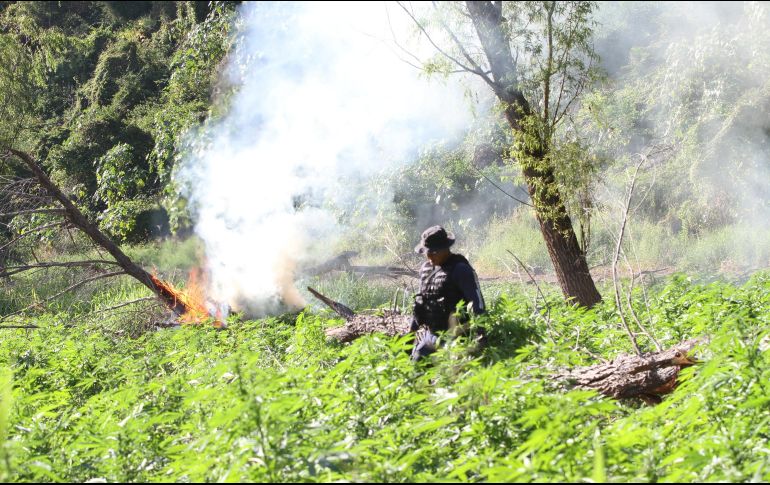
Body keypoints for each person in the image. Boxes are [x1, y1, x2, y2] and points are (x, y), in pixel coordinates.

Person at [410, 225, 486, 360]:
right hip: (431, 336)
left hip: (456, 337)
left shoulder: (460, 269)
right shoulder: (425, 269)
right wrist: (410, 335)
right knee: (415, 365)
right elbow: (420, 303)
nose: (429, 257)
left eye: (433, 252)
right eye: (427, 252)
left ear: (445, 249)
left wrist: (480, 336)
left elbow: (477, 304)